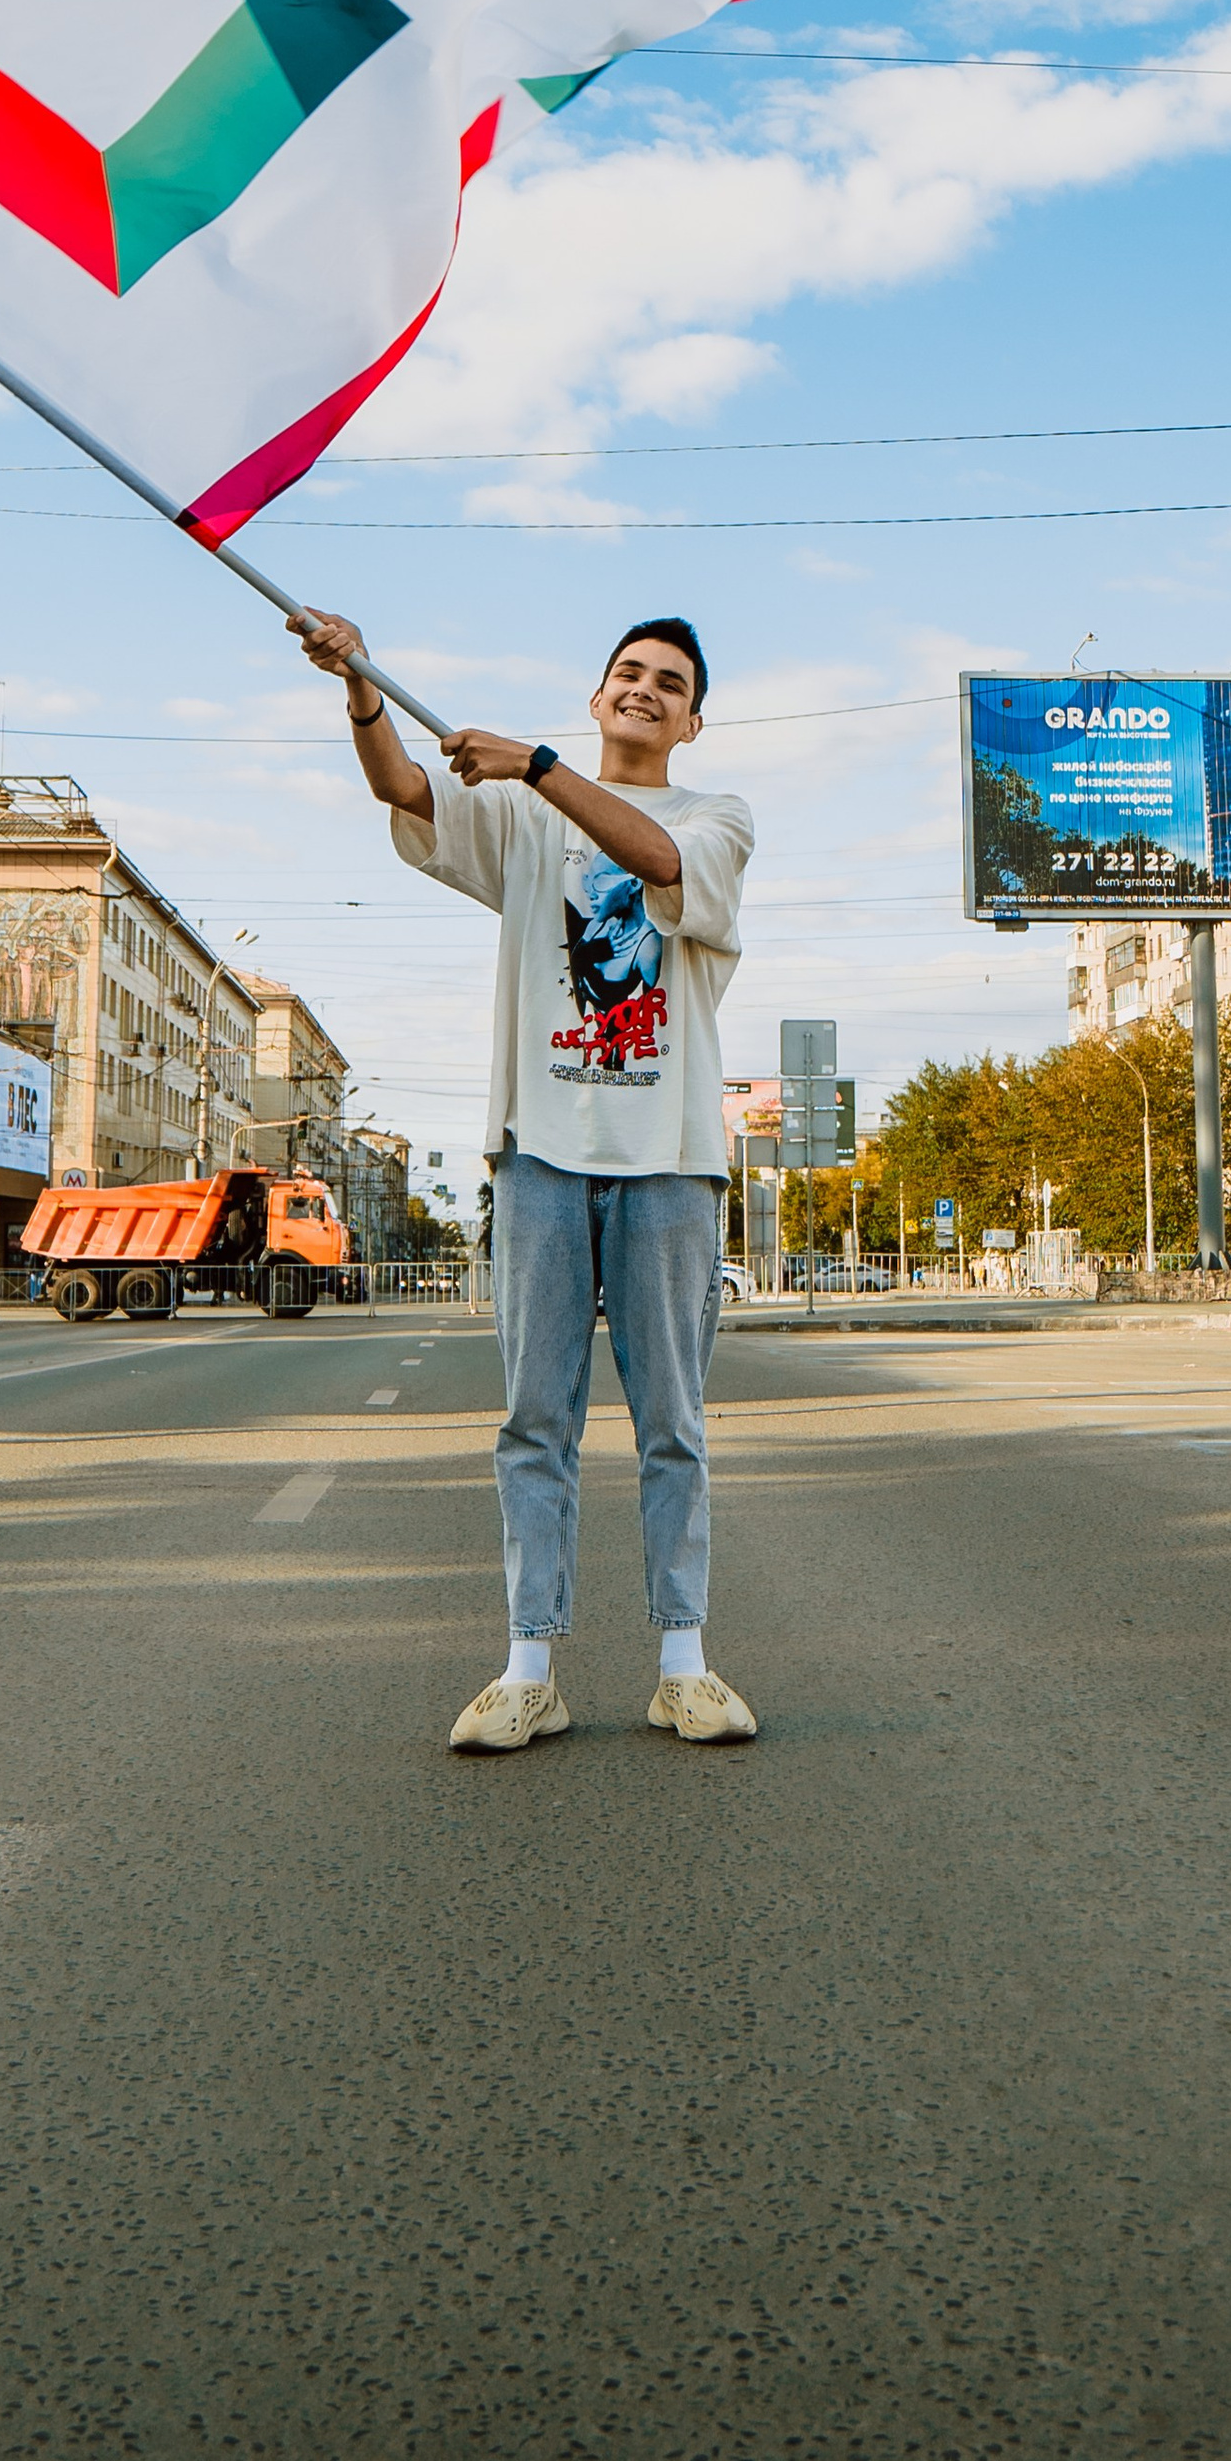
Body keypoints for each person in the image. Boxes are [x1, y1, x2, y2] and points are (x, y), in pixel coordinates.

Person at [291, 605, 757, 1753]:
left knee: (672, 1426)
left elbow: (655, 866)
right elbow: (403, 788)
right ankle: (528, 1669)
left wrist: (538, 763)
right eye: (625, 674)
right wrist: (360, 684)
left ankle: (683, 1665)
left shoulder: (714, 817)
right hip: (541, 1154)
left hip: (672, 1163)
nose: (643, 689)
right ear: (599, 696)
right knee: (532, 1423)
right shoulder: (516, 815)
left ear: (693, 720)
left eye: (667, 682)